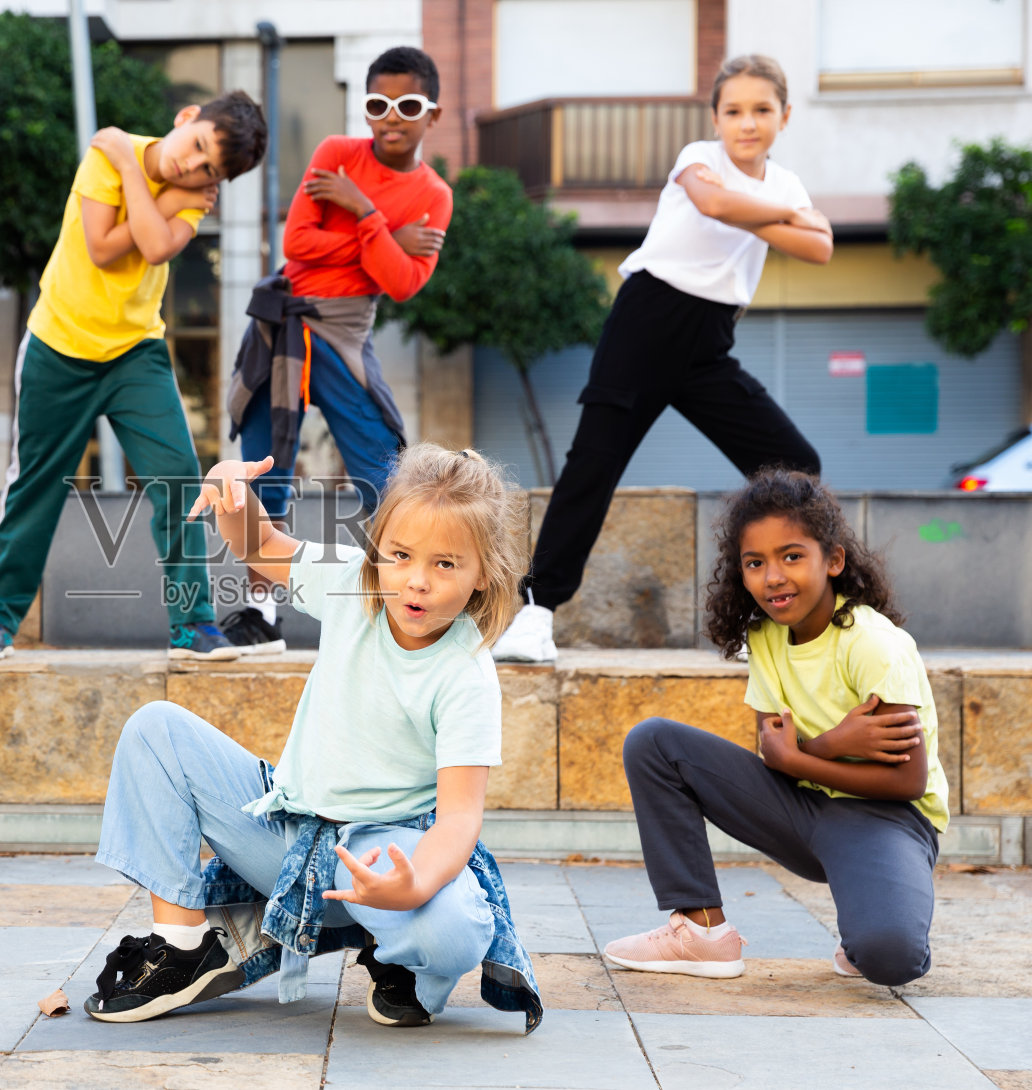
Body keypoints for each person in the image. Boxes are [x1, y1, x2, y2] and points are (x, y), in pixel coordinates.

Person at [80, 444, 543, 1032]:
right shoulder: (351, 582)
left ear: (484, 576)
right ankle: (184, 944)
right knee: (155, 729)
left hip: (379, 854)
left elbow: (458, 820)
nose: (417, 581)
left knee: (456, 931)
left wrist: (414, 885)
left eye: (446, 564)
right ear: (377, 550)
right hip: (286, 835)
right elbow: (259, 545)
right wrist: (233, 493)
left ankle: (397, 956)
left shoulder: (466, 673)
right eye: (400, 555)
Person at [493, 54, 831, 663]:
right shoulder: (699, 158)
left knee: (793, 466)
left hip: (709, 345)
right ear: (715, 117)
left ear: (784, 116)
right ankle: (535, 614)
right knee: (593, 464)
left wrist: (771, 210)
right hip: (645, 326)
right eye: (734, 110)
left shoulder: (785, 183)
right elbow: (714, 204)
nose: (747, 123)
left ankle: (763, 618)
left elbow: (822, 247)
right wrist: (784, 216)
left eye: (761, 110)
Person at [604, 469, 947, 985]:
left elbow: (907, 781)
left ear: (833, 560)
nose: (773, 577)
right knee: (654, 743)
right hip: (801, 809)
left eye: (791, 556)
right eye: (755, 563)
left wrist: (799, 756)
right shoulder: (765, 635)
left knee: (890, 957)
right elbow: (776, 754)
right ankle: (701, 931)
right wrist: (825, 746)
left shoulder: (874, 645)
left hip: (886, 819)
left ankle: (871, 909)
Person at [0, 93, 268, 662]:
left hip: (135, 353)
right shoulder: (109, 153)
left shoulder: (149, 173)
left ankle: (193, 625)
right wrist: (145, 178)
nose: (191, 166)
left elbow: (154, 247)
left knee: (177, 476)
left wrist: (141, 177)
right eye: (196, 146)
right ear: (186, 117)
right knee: (34, 484)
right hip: (59, 345)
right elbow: (102, 248)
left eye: (207, 170)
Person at [222, 46, 452, 656]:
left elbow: (402, 283)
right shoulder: (335, 153)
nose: (391, 118)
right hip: (280, 328)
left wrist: (360, 210)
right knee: (263, 470)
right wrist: (385, 234)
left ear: (433, 113)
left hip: (346, 333)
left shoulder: (434, 194)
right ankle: (259, 612)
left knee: (386, 472)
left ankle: (400, 609)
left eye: (408, 106)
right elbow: (297, 243)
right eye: (378, 104)